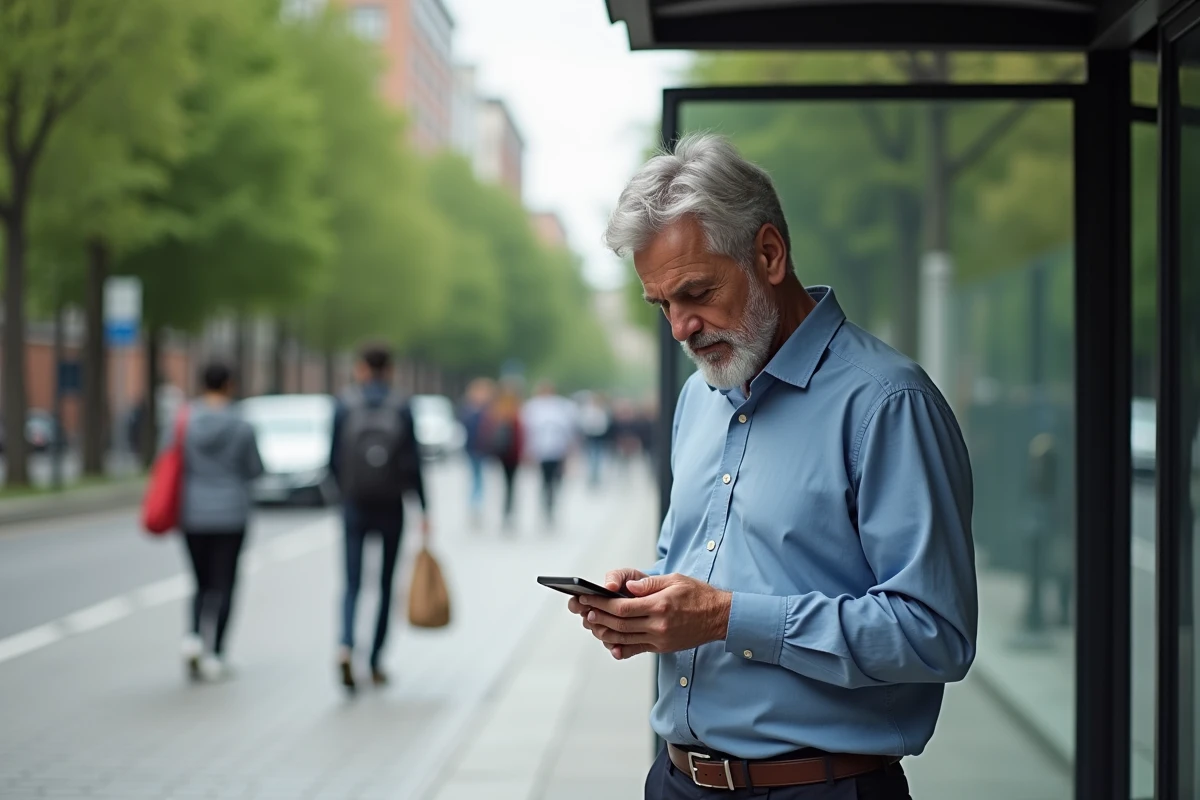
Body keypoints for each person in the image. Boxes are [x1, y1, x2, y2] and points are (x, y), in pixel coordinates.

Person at [570, 133, 976, 799]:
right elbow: (705, 580)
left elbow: (936, 635)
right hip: (675, 782)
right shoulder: (697, 398)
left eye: (695, 293)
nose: (680, 327)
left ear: (768, 253)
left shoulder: (887, 404)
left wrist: (729, 617)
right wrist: (646, 605)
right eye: (662, 305)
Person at [329, 344, 430, 694]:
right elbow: (414, 462)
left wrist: (342, 496)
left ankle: (345, 644)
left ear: (360, 368)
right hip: (391, 505)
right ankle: (374, 661)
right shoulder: (402, 405)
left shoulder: (344, 403)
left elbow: (333, 460)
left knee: (353, 583)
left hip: (354, 504)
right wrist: (424, 509)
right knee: (386, 585)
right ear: (390, 369)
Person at [174, 362, 264, 683]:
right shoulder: (241, 425)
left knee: (200, 582)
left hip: (193, 512)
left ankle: (193, 638)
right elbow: (255, 469)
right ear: (229, 384)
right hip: (230, 514)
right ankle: (216, 653)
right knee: (225, 583)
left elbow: (171, 460)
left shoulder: (184, 421)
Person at [520, 380, 579, 526]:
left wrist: (570, 447)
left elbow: (569, 429)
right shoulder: (532, 407)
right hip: (541, 450)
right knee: (545, 480)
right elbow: (527, 431)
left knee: (556, 479)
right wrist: (527, 450)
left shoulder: (561, 406)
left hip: (558, 449)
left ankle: (551, 504)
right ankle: (546, 506)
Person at [481, 382, 524, 530]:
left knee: (505, 485)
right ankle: (508, 512)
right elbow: (520, 436)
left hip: (502, 455)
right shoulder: (516, 412)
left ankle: (506, 512)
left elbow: (487, 433)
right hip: (513, 456)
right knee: (511, 485)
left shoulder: (496, 412)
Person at [459, 378, 496, 526]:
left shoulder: (488, 410)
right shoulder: (468, 409)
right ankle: (474, 504)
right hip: (471, 449)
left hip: (483, 449)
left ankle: (477, 504)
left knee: (479, 478)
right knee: (475, 477)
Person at [577, 392, 612, 488]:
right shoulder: (588, 410)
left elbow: (605, 424)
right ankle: (591, 475)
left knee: (598, 456)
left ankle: (596, 475)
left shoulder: (602, 410)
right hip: (590, 436)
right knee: (591, 456)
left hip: (600, 436)